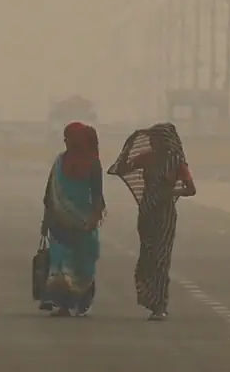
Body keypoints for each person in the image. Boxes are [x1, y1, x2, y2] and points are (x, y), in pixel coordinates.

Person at [109, 122, 195, 320]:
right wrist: (126, 153)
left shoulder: (177, 162)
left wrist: (170, 192)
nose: (152, 142)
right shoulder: (148, 157)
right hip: (147, 213)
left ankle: (160, 304)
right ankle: (150, 298)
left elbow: (191, 189)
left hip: (165, 214)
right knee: (148, 257)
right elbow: (123, 168)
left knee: (161, 259)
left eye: (156, 139)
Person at [39, 122, 105, 317]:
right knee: (60, 264)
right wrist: (45, 222)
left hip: (83, 222)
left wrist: (95, 217)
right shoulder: (59, 162)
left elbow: (97, 194)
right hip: (59, 222)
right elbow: (50, 195)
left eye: (70, 139)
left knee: (83, 264)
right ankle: (63, 305)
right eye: (65, 139)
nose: (66, 142)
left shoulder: (93, 164)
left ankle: (82, 303)